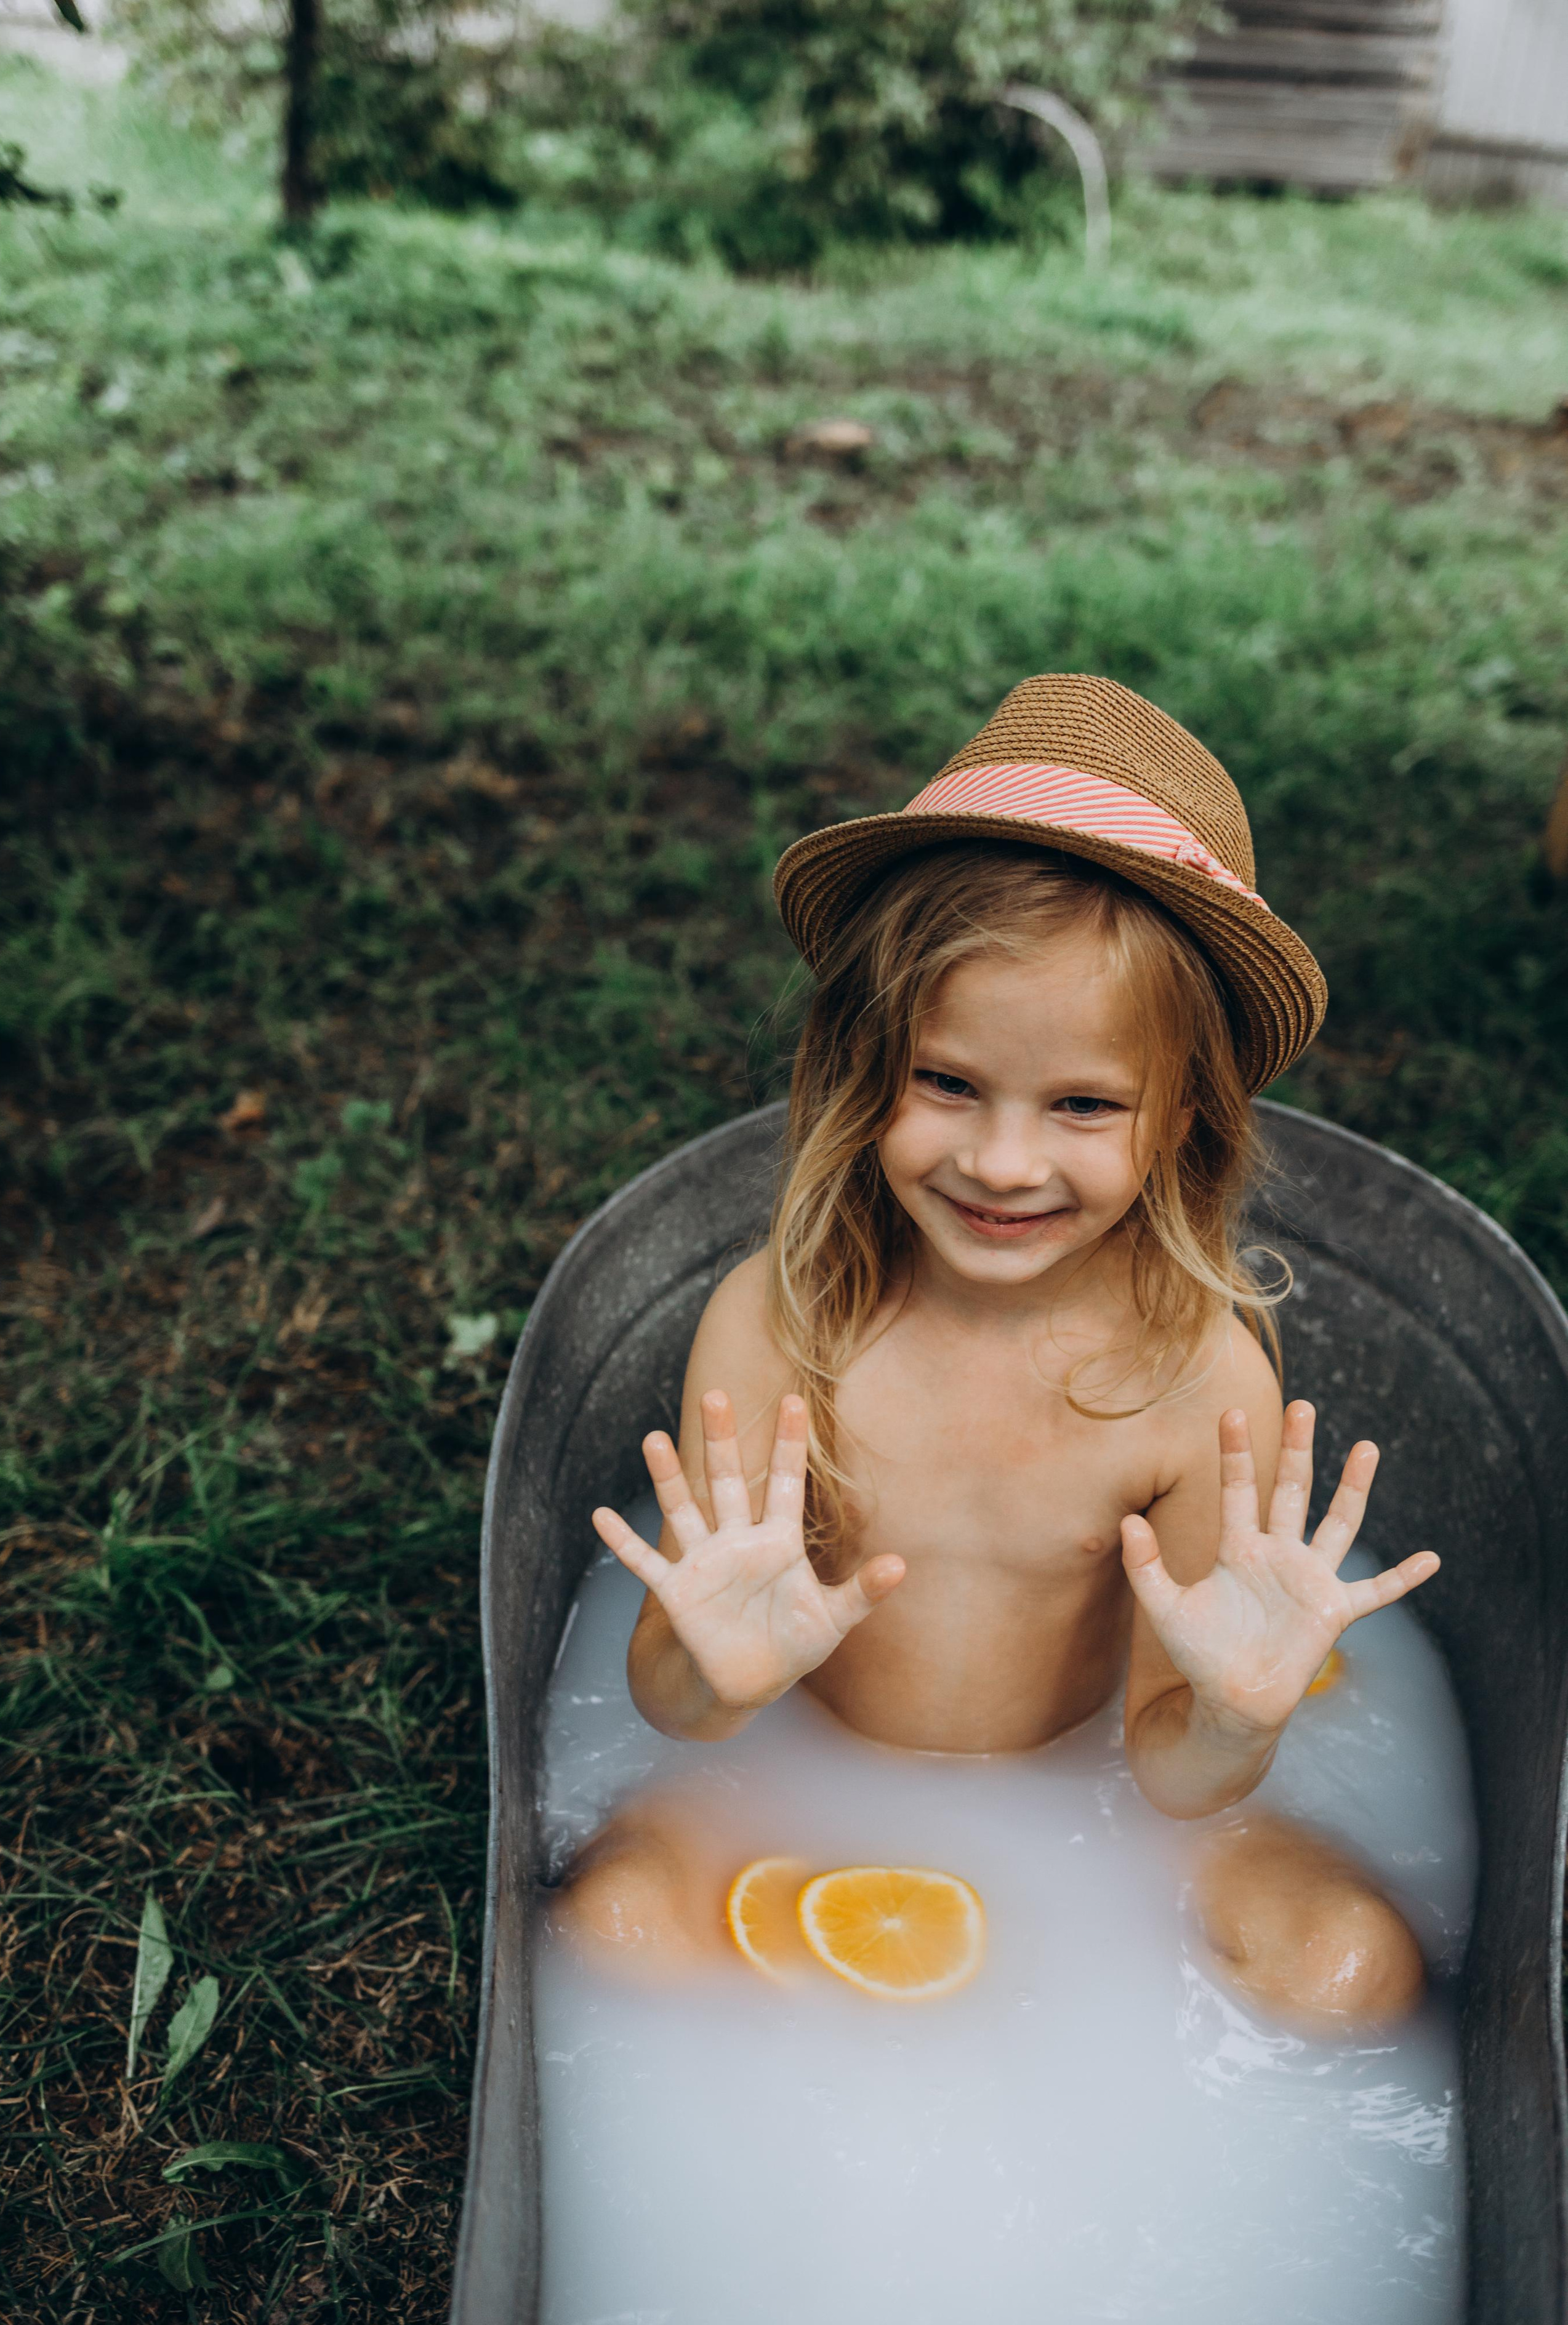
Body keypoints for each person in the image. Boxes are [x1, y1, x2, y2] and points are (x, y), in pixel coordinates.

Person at [563, 673, 1437, 2030]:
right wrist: (712, 1674)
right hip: (804, 1774)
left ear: (1181, 1123)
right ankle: (826, 2046)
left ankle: (1011, 2021)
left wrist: (1236, 1712)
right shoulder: (780, 1322)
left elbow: (1171, 1773)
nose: (1001, 1161)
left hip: (1100, 1801)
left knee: (1352, 1973)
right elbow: (683, 1713)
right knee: (614, 1926)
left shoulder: (1197, 1380)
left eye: (1082, 1104)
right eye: (947, 1082)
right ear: (866, 1067)